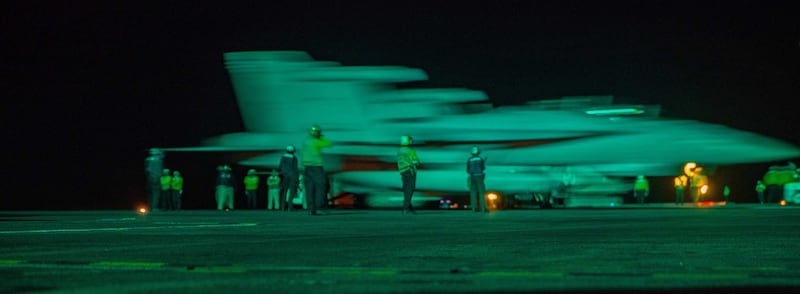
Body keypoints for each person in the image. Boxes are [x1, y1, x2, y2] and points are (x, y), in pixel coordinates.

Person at [301, 124, 332, 215]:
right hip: (317, 167)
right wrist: (321, 137)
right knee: (320, 188)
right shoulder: (316, 141)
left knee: (310, 189)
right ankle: (319, 208)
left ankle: (312, 209)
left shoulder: (306, 140)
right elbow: (328, 143)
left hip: (307, 167)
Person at [397, 134, 420, 214]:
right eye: (410, 140)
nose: (411, 141)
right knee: (410, 190)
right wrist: (417, 162)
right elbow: (416, 162)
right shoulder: (411, 151)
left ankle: (409, 208)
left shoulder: (399, 151)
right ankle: (405, 209)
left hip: (402, 172)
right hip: (410, 171)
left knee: (406, 190)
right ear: (408, 141)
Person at [467, 146, 488, 213]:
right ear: (478, 152)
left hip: (472, 177)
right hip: (479, 177)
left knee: (473, 193)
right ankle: (483, 208)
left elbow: (467, 169)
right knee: (481, 193)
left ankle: (474, 208)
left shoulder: (469, 159)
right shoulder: (480, 159)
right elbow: (483, 168)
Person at [279, 145, 299, 211]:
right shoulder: (294, 158)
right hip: (292, 176)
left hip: (285, 176)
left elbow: (280, 167)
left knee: (284, 192)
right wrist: (297, 178)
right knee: (291, 192)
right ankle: (290, 207)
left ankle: (282, 207)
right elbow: (295, 169)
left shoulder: (283, 157)